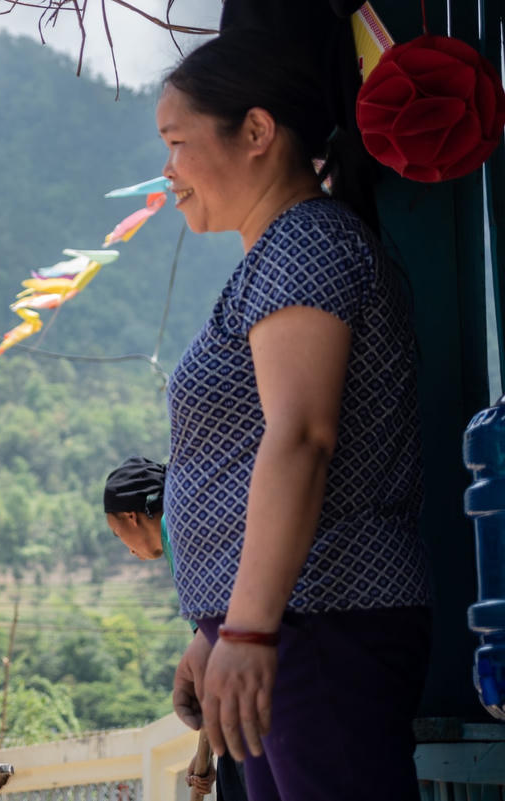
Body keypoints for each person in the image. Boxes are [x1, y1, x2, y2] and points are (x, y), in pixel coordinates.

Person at [158, 27, 431, 801]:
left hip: (324, 619)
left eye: (177, 141)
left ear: (255, 131)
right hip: (293, 621)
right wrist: (215, 625)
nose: (168, 169)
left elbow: (301, 437)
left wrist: (245, 628)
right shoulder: (279, 253)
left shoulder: (306, 244)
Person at [103, 457, 248, 801]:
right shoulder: (186, 524)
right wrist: (209, 753)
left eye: (117, 533)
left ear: (131, 517)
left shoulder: (176, 529)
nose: (127, 548)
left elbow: (214, 636)